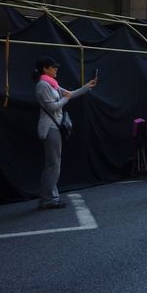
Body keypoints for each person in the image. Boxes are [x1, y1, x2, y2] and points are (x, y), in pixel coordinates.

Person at [34, 56, 97, 209]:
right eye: (53, 67)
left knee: (53, 163)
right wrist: (66, 99)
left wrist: (87, 86)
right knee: (53, 164)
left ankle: (49, 197)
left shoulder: (52, 84)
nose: (56, 69)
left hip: (53, 127)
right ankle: (48, 199)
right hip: (50, 127)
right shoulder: (43, 85)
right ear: (45, 69)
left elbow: (69, 93)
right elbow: (53, 107)